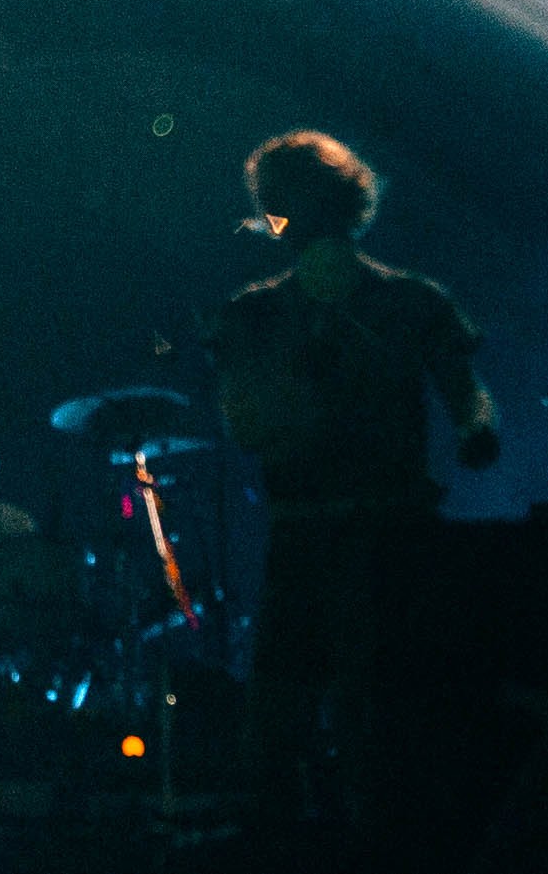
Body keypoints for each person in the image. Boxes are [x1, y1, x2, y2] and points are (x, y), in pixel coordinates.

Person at [209, 131, 496, 828]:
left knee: (381, 721)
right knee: (284, 724)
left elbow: (466, 388)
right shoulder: (255, 311)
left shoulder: (410, 301)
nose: (273, 216)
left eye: (278, 202)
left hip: (387, 536)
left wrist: (474, 424)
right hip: (313, 535)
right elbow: (243, 424)